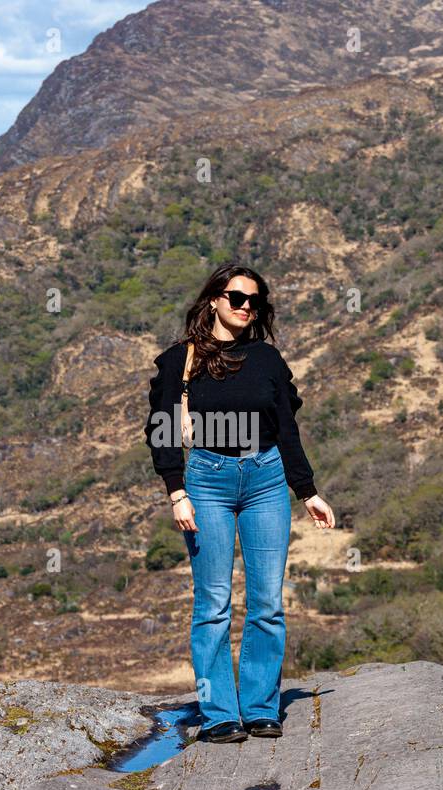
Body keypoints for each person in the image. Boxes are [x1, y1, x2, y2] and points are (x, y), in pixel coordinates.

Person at [144, 264, 335, 742]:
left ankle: (260, 707)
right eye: (236, 297)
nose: (246, 307)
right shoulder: (179, 362)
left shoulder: (268, 360)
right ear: (213, 299)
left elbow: (286, 429)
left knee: (267, 602)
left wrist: (306, 490)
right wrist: (176, 492)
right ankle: (219, 714)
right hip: (206, 482)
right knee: (213, 603)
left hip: (266, 478)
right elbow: (162, 431)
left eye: (255, 301)